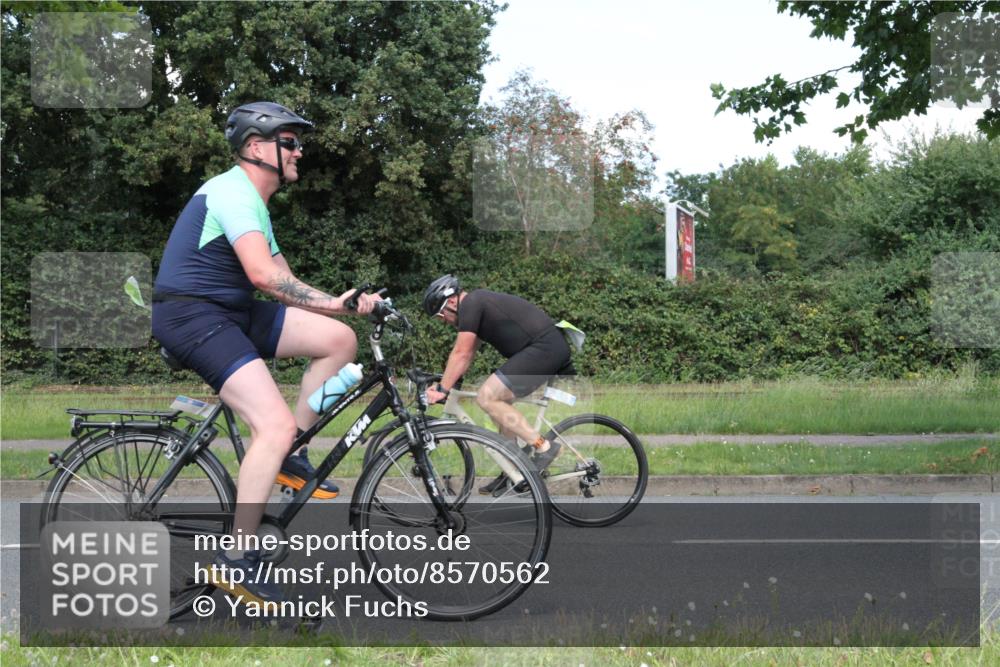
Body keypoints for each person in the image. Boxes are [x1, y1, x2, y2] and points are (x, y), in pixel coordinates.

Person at [152, 101, 379, 603]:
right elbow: (263, 277)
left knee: (338, 339)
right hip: (194, 315)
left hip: (229, 310)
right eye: (291, 142)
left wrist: (344, 307)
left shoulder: (255, 204)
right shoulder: (232, 192)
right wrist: (332, 303)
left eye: (299, 143)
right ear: (257, 148)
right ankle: (236, 558)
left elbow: (287, 280)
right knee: (270, 424)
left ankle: (289, 454)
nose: (300, 151)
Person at [422, 275, 575, 491]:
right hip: (543, 348)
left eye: (441, 315)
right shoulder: (476, 306)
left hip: (544, 348)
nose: (443, 321)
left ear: (452, 302)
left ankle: (544, 447)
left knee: (487, 396)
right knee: (499, 406)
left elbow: (462, 353)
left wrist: (441, 389)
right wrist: (447, 385)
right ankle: (513, 471)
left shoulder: (472, 303)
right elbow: (467, 355)